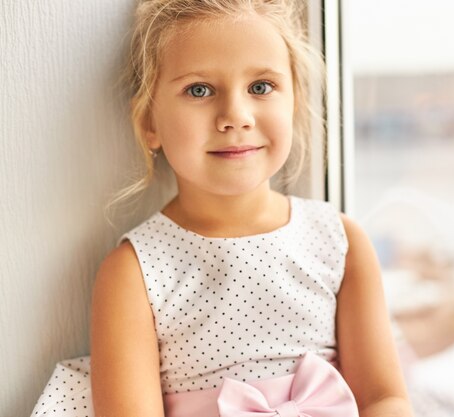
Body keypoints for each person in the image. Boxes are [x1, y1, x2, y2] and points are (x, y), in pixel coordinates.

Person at [31, 1, 413, 416]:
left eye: (261, 87)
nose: (236, 116)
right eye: (199, 90)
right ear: (149, 124)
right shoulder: (135, 272)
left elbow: (383, 399)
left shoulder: (340, 241)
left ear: (295, 101)